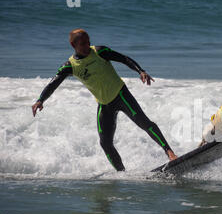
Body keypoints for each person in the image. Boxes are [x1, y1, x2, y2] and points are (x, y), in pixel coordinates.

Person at [31, 29, 177, 171]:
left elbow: (124, 58)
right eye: (82, 44)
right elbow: (53, 83)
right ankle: (121, 173)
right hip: (104, 104)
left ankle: (170, 152)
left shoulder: (100, 52)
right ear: (73, 45)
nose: (87, 46)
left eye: (88, 42)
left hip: (121, 95)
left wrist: (141, 71)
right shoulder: (70, 66)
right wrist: (40, 100)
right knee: (105, 143)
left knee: (144, 123)